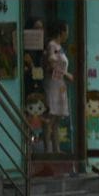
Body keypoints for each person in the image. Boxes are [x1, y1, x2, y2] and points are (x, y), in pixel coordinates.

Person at [43, 20, 73, 154]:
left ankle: (56, 149)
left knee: (57, 119)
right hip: (53, 84)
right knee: (51, 116)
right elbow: (51, 64)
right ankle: (48, 150)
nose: (68, 33)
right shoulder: (52, 45)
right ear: (61, 32)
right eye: (66, 30)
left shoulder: (60, 47)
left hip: (60, 85)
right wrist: (66, 74)